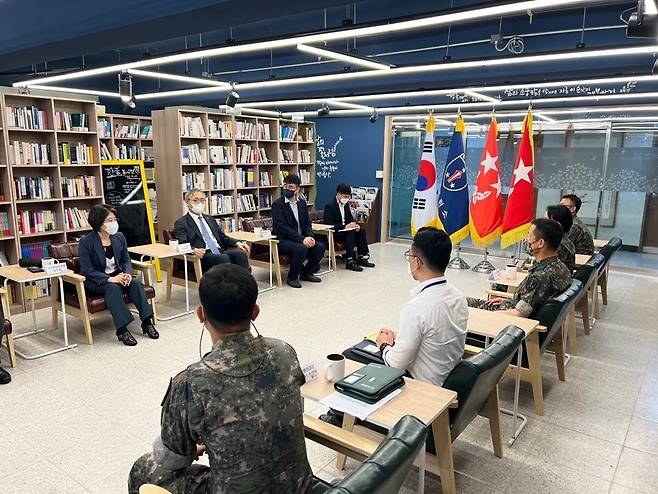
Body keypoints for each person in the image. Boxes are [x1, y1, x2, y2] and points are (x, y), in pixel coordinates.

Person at [128, 264, 313, 494]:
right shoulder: (284, 351)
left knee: (142, 469)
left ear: (200, 314)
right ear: (255, 311)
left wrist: (193, 448)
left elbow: (172, 459)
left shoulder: (190, 382)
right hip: (298, 485)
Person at [322, 227, 468, 427]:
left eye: (410, 256)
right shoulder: (459, 297)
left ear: (417, 262)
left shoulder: (417, 307)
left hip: (421, 387)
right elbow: (434, 335)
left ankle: (341, 416)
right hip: (446, 376)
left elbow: (395, 364)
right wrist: (398, 339)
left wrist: (384, 344)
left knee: (351, 355)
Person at [80, 204, 158, 346]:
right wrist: (110, 279)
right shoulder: (86, 242)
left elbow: (126, 260)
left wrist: (127, 274)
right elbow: (87, 270)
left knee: (135, 283)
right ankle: (122, 330)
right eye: (109, 220)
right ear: (99, 223)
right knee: (113, 288)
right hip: (97, 281)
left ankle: (147, 323)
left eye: (114, 219)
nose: (114, 223)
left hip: (118, 275)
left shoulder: (119, 237)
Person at [468, 218, 572, 318]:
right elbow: (530, 301)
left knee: (458, 303)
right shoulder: (560, 267)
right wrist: (508, 301)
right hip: (510, 307)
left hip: (505, 319)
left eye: (528, 235)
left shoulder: (540, 277)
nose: (526, 240)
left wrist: (483, 315)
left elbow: (519, 314)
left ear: (540, 243)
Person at [175, 189, 250, 272]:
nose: (199, 203)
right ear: (187, 202)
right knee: (223, 258)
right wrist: (193, 250)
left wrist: (237, 242)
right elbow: (182, 243)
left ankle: (243, 283)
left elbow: (222, 237)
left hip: (218, 250)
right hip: (202, 255)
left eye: (202, 200)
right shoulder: (181, 222)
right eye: (195, 200)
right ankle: (225, 284)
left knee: (241, 254)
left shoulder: (210, 219)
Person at [271, 174, 326, 288]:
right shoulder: (278, 204)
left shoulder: (301, 203)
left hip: (300, 238)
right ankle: (292, 277)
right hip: (282, 240)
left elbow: (307, 224)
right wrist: (302, 239)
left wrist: (310, 236)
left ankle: (306, 273)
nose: (287, 189)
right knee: (301, 248)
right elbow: (282, 228)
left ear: (297, 189)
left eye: (291, 187)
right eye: (285, 186)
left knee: (320, 246)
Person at [323, 183, 375, 272]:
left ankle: (361, 257)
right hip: (335, 232)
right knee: (350, 232)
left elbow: (350, 219)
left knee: (361, 230)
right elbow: (329, 224)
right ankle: (349, 261)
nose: (346, 199)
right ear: (338, 194)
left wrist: (355, 225)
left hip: (344, 230)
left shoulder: (346, 204)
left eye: (348, 197)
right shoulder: (329, 206)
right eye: (345, 196)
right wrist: (345, 226)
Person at [545, 204, 576, 272]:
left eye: (546, 220)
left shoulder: (558, 245)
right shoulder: (564, 241)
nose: (542, 223)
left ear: (558, 224)